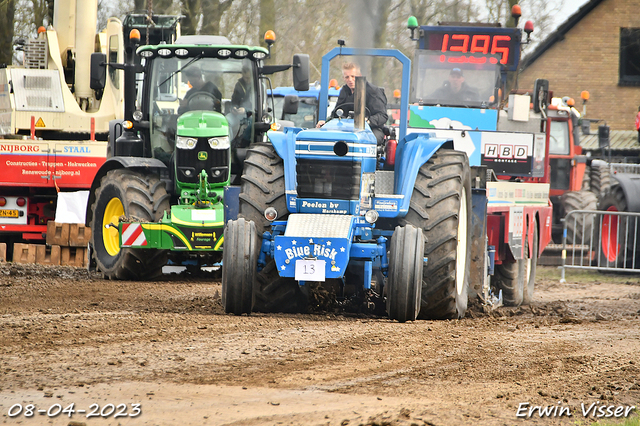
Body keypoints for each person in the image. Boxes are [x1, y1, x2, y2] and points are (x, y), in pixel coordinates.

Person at [317, 62, 388, 145]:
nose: (350, 80)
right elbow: (337, 113)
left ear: (360, 75)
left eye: (353, 76)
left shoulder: (373, 92)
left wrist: (367, 121)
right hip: (348, 128)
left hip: (372, 128)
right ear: (343, 78)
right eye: (347, 77)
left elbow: (382, 116)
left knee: (367, 140)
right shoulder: (344, 91)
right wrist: (326, 123)